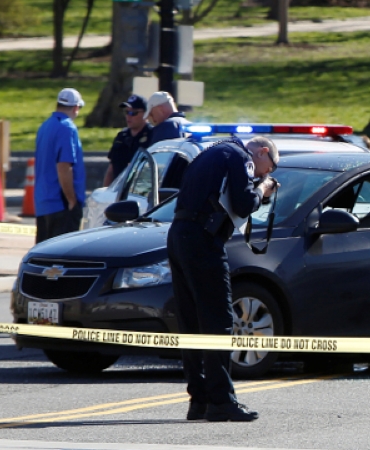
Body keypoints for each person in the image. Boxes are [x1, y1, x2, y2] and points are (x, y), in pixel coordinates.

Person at [168, 136, 279, 422]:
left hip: (180, 235)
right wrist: (262, 189)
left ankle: (200, 400)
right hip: (203, 240)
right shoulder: (241, 157)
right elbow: (243, 204)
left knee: (192, 320)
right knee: (218, 320)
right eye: (270, 168)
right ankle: (221, 401)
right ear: (263, 152)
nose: (266, 173)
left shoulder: (212, 152)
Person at [34, 88, 86, 244]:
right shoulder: (67, 128)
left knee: (44, 256)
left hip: (43, 201)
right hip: (61, 203)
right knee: (62, 257)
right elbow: (64, 166)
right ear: (76, 108)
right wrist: (71, 199)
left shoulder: (45, 126)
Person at [103, 94, 152, 186]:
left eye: (133, 113)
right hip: (118, 191)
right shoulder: (122, 136)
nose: (128, 116)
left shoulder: (152, 135)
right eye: (126, 112)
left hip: (140, 192)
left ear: (146, 114)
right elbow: (111, 170)